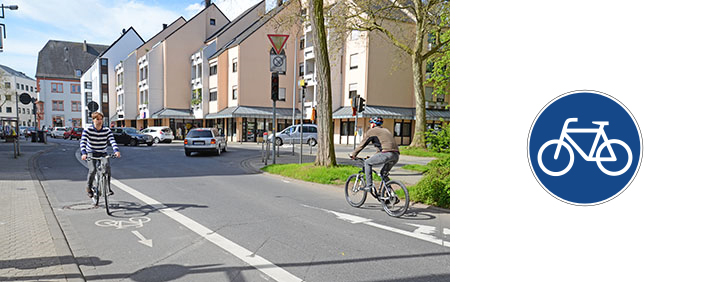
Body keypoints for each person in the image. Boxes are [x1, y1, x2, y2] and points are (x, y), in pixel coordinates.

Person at [350, 117, 399, 191]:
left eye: (371, 123)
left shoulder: (371, 131)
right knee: (383, 174)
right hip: (396, 155)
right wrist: (374, 157)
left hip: (386, 154)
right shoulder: (386, 130)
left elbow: (362, 144)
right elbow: (382, 147)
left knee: (367, 163)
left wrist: (353, 154)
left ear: (373, 124)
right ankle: (391, 194)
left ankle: (369, 186)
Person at [80, 112, 121, 198]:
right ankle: (89, 187)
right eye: (97, 119)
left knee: (107, 167)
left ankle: (108, 188)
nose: (99, 121)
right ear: (93, 120)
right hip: (91, 152)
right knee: (92, 170)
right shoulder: (88, 130)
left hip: (102, 152)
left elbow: (112, 141)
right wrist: (84, 153)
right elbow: (83, 142)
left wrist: (116, 151)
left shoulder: (107, 130)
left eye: (101, 119)